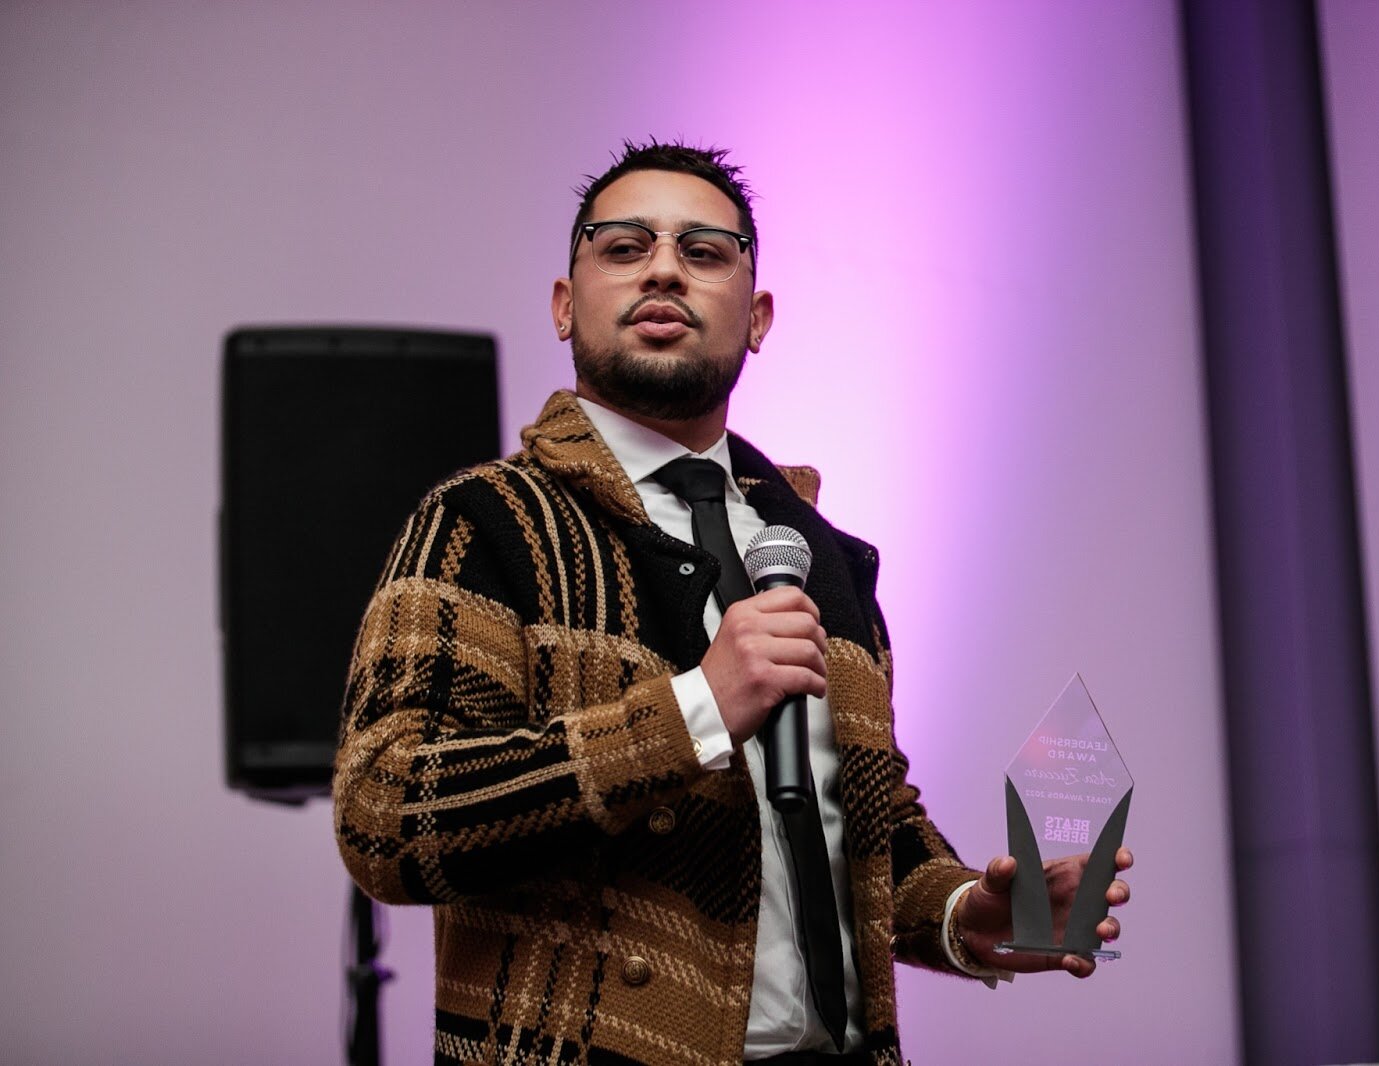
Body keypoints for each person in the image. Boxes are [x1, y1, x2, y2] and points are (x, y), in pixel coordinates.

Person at [334, 140, 1132, 1066]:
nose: (665, 266)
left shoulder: (813, 553)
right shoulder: (482, 520)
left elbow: (865, 823)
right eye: (624, 246)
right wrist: (693, 713)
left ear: (756, 318)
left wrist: (966, 912)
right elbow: (384, 818)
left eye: (704, 251)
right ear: (564, 305)